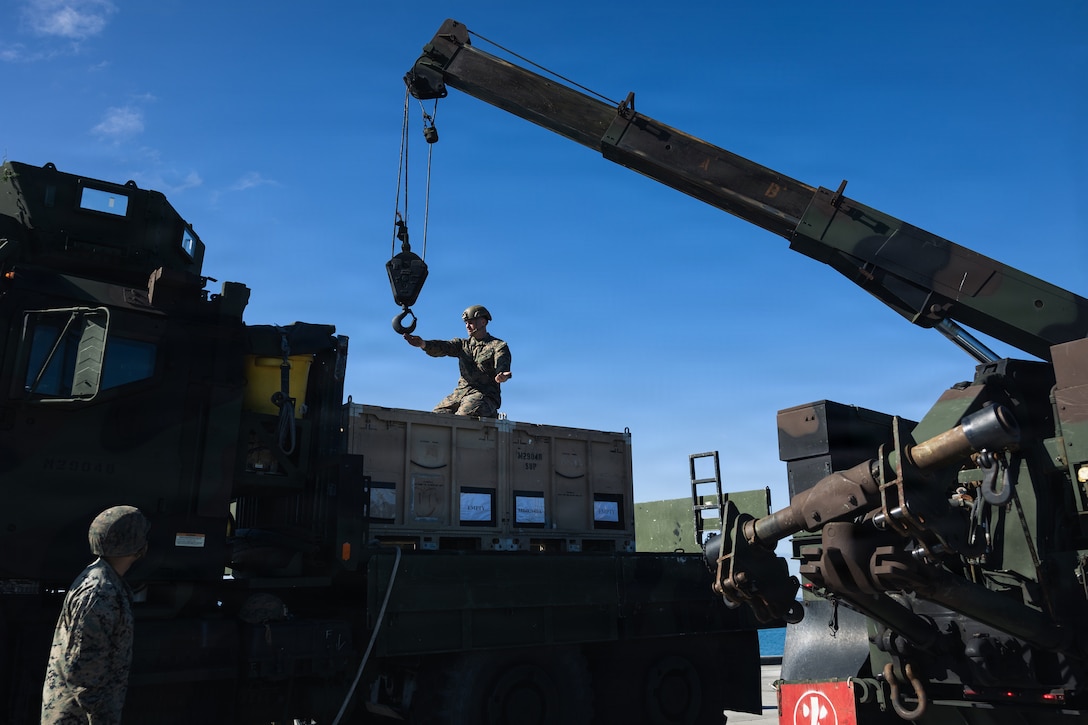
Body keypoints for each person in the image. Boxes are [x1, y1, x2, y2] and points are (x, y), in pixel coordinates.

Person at [42, 505, 150, 725]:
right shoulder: (100, 592)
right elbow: (84, 672)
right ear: (135, 544)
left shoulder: (105, 581)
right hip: (78, 717)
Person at [404, 304, 512, 417]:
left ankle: (490, 413)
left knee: (463, 416)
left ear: (483, 322)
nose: (467, 326)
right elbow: (444, 347)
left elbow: (502, 364)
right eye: (466, 323)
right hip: (461, 393)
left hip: (485, 395)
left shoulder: (498, 346)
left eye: (470, 322)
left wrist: (502, 375)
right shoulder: (462, 345)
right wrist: (423, 344)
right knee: (436, 416)